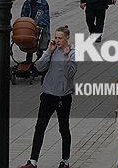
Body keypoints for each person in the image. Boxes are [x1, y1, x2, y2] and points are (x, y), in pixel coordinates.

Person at [21, 26, 77, 168]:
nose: (57, 40)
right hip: (48, 95)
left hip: (63, 97)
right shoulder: (52, 50)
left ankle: (65, 161)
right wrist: (48, 51)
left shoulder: (73, 53)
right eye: (56, 37)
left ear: (67, 38)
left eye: (60, 38)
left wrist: (65, 56)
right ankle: (33, 161)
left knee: (64, 129)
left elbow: (69, 74)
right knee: (40, 127)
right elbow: (39, 67)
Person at [21, 0, 51, 64]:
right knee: (30, 46)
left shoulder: (44, 3)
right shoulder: (27, 3)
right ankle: (28, 62)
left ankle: (40, 62)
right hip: (30, 28)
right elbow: (23, 15)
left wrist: (40, 25)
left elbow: (46, 16)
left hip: (41, 28)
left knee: (40, 46)